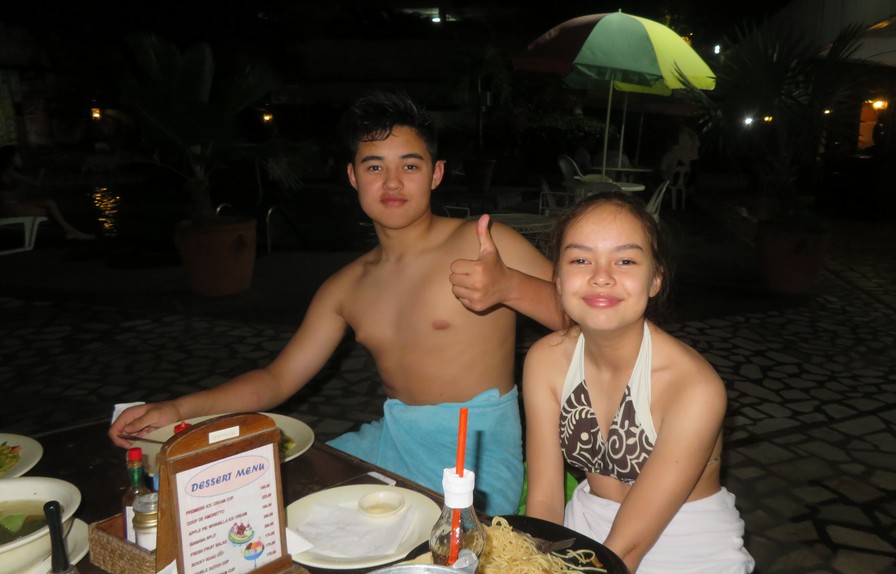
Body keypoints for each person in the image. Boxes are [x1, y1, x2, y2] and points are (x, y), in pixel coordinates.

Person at [109, 91, 561, 515]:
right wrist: (178, 410)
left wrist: (511, 286)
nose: (392, 182)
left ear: (436, 173)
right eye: (374, 166)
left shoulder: (485, 244)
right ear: (352, 177)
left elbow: (586, 318)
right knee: (268, 494)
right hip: (392, 439)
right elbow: (277, 379)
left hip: (474, 458)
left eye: (410, 165)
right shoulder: (345, 286)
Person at [523, 192, 755, 574]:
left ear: (655, 280)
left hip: (685, 548)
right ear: (559, 279)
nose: (601, 276)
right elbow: (545, 499)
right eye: (580, 260)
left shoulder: (692, 387)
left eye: (625, 261)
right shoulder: (545, 361)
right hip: (587, 528)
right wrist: (533, 562)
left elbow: (625, 550)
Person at [0, 145, 95, 240]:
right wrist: (43, 167)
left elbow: (31, 179)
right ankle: (71, 231)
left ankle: (70, 231)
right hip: (9, 207)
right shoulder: (9, 172)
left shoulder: (8, 172)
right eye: (18, 157)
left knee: (51, 208)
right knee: (51, 208)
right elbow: (35, 183)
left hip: (11, 205)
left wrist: (40, 170)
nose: (20, 159)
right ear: (10, 159)